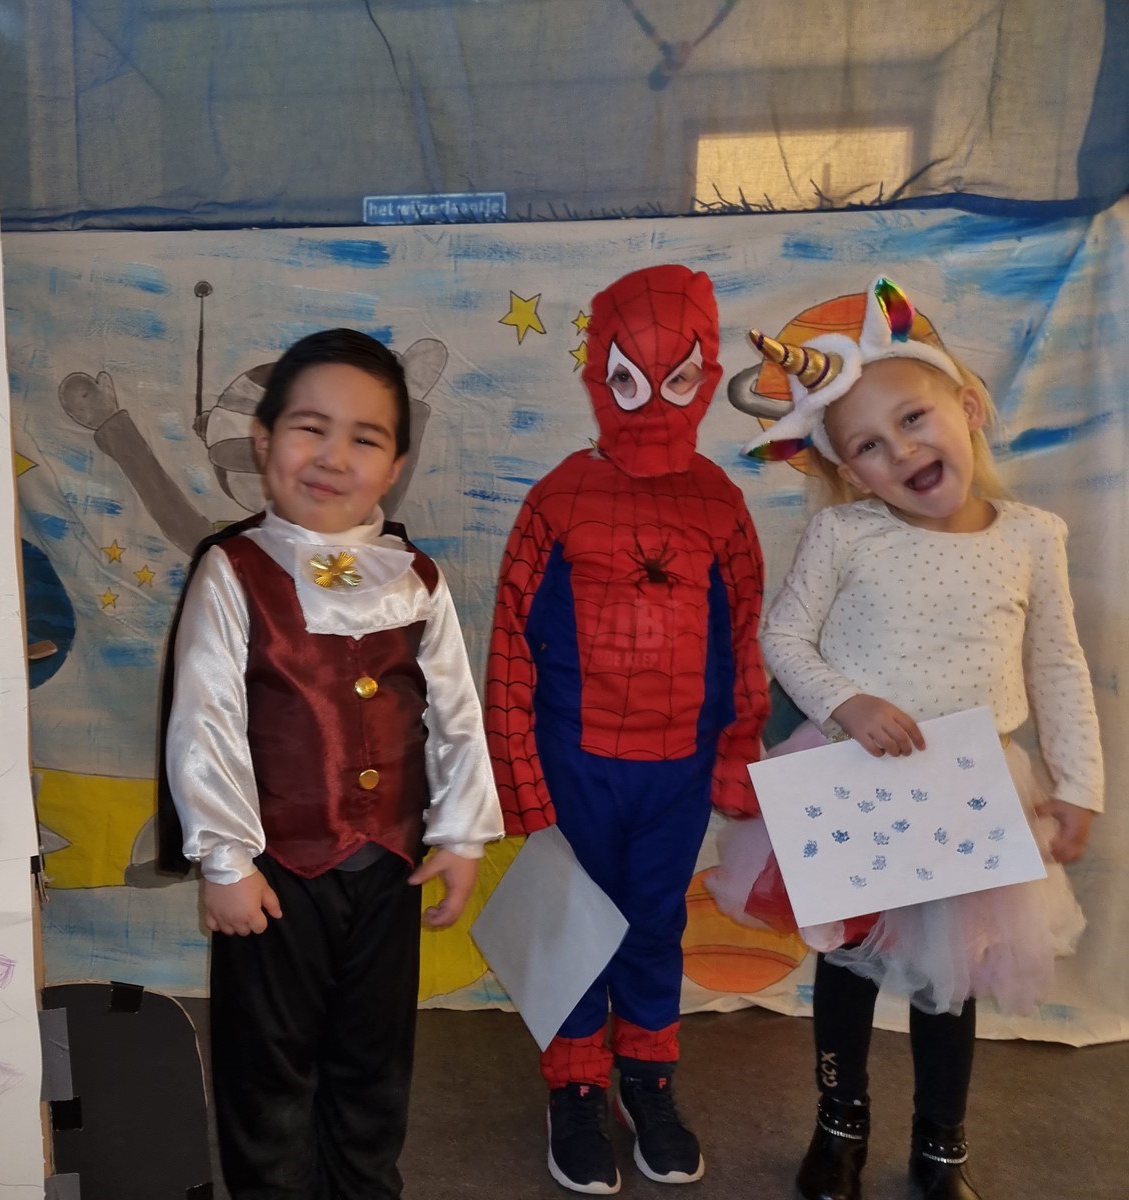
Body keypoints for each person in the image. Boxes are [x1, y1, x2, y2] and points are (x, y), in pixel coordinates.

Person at [717, 277, 1103, 1200]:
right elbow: (784, 638)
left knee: (949, 978)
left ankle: (941, 1147)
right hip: (854, 776)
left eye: (914, 419)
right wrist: (847, 703)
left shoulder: (1032, 537)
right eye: (870, 446)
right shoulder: (845, 534)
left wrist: (1078, 784)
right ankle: (838, 1128)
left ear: (967, 408)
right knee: (847, 965)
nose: (902, 451)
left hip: (974, 788)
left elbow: (1058, 663)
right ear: (852, 473)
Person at [162, 328, 503, 1199]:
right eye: (310, 428)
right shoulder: (234, 570)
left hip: (386, 869)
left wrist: (461, 835)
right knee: (269, 1069)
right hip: (276, 876)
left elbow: (455, 711)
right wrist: (225, 861)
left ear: (394, 467)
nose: (333, 456)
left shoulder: (416, 578)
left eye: (365, 438)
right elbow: (207, 718)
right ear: (264, 441)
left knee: (373, 1059)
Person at [487, 265, 769, 1193]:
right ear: (598, 375)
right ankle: (574, 1084)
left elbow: (745, 635)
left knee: (654, 924)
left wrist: (736, 752)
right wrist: (520, 779)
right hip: (574, 764)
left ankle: (646, 1076)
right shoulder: (557, 500)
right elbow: (512, 646)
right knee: (576, 924)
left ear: (706, 373)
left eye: (677, 379)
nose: (653, 404)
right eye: (628, 380)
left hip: (676, 770)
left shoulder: (720, 505)